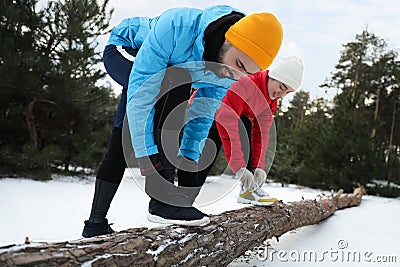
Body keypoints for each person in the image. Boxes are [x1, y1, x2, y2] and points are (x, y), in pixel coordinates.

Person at [82, 5, 283, 238]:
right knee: (172, 83)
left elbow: (202, 115)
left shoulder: (229, 72)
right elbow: (142, 98)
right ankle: (161, 201)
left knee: (120, 138)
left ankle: (95, 224)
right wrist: (150, 164)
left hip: (167, 74)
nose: (236, 76)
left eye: (247, 73)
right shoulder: (176, 27)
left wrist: (189, 162)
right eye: (238, 65)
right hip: (126, 49)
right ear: (227, 40)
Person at [193, 56, 304, 205]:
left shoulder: (270, 101)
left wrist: (259, 166)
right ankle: (182, 200)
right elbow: (228, 122)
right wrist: (239, 166)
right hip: (208, 109)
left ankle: (249, 190)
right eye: (282, 87)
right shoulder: (246, 83)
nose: (282, 94)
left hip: (230, 116)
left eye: (288, 92)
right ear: (272, 76)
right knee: (206, 156)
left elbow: (260, 134)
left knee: (245, 124)